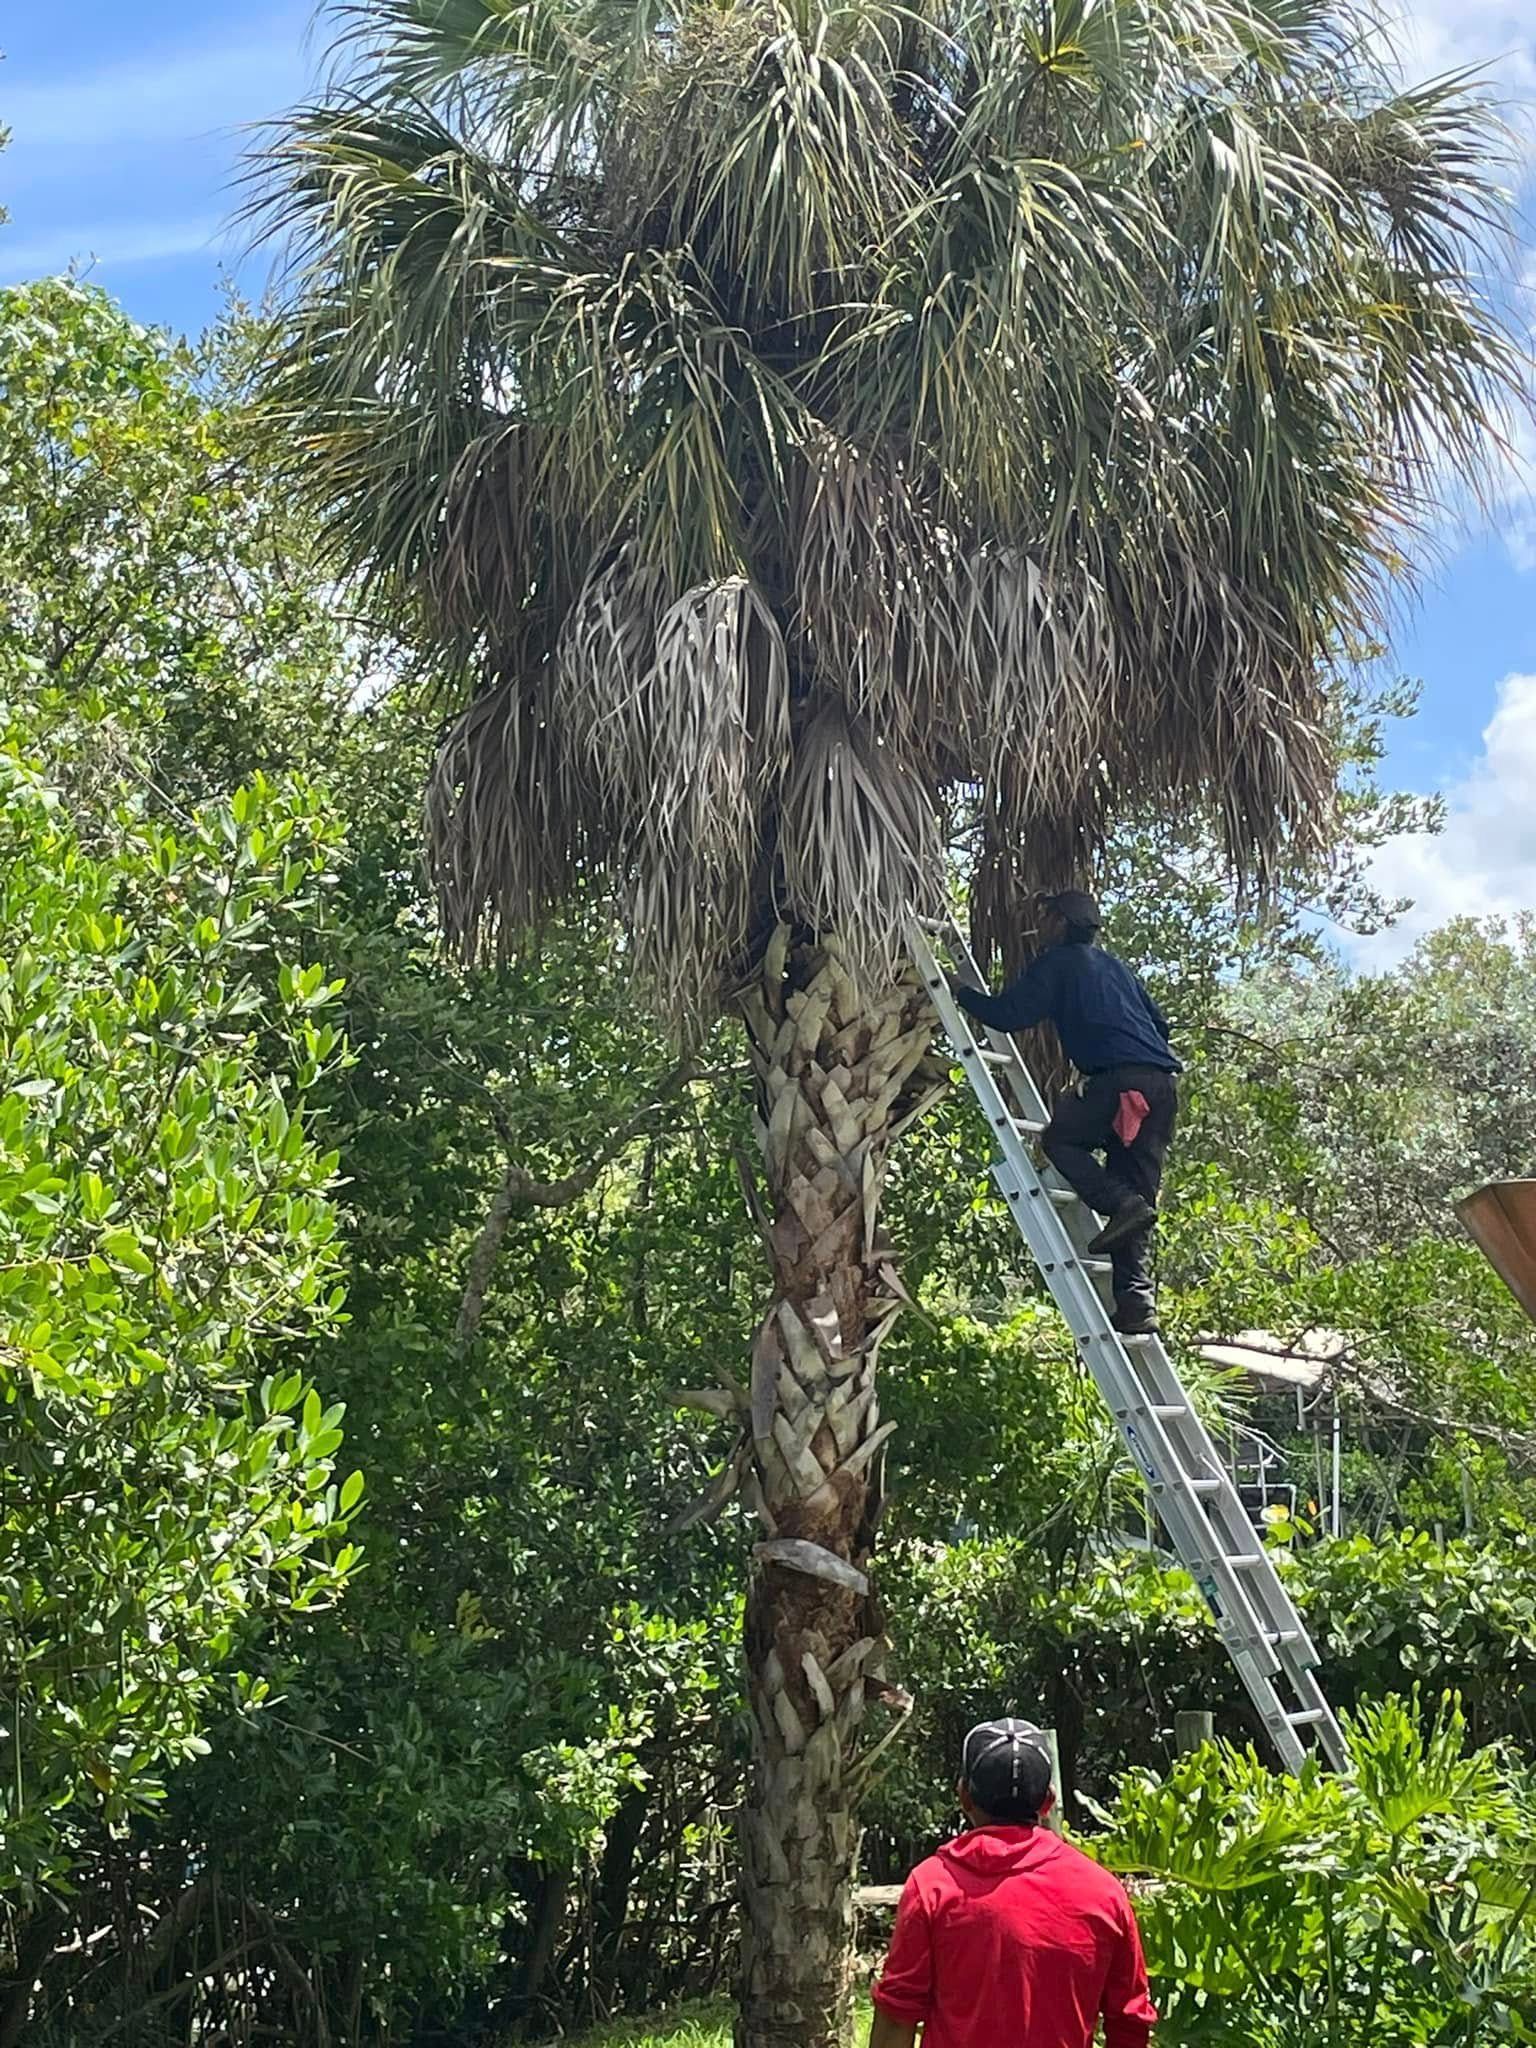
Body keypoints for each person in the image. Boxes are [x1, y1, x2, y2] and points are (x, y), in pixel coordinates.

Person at [951, 889, 1179, 1336]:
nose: (1042, 927)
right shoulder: (1118, 968)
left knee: (1061, 1141)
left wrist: (962, 993)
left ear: (1061, 922)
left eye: (1047, 917)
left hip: (1116, 1082)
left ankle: (1118, 1202)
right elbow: (1162, 1026)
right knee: (1137, 1193)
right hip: (1161, 1088)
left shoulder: (1059, 963)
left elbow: (1007, 1015)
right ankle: (1136, 1303)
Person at [870, 1717, 1156, 2048]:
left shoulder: (933, 1886)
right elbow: (1130, 2023)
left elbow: (896, 2017)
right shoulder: (1103, 1892)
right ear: (1048, 1801)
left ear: (964, 1797)